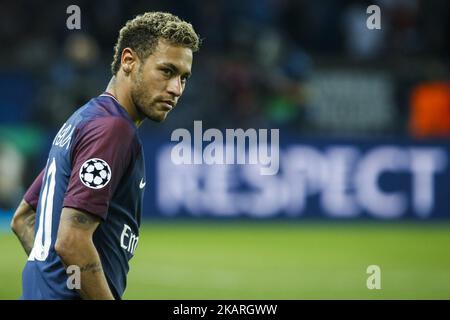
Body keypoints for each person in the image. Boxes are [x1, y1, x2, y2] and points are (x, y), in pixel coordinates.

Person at [10, 11, 200, 300]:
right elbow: (71, 240)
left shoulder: (83, 119)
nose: (176, 89)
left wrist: (49, 286)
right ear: (128, 61)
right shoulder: (112, 129)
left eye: (183, 78)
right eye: (167, 71)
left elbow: (23, 218)